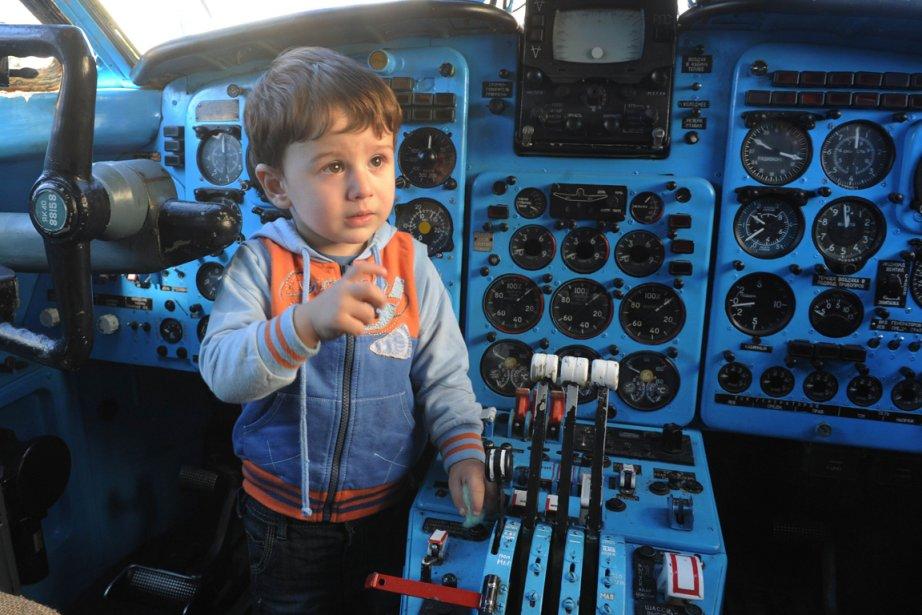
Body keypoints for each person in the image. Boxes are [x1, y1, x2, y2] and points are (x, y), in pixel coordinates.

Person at [198, 47, 489, 614]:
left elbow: (445, 377)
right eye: (334, 167)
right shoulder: (260, 264)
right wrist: (303, 324)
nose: (363, 187)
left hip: (388, 510)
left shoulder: (412, 265)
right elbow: (222, 373)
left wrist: (463, 454)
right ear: (277, 185)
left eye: (377, 160)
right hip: (285, 520)